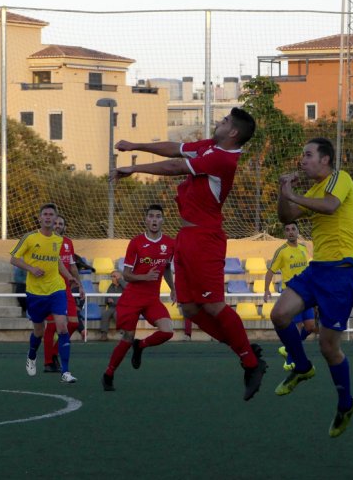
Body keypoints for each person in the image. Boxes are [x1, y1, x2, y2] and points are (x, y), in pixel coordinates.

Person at [111, 107, 267, 401]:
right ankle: (245, 350)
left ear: (233, 132)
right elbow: (175, 150)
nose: (218, 123)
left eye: (224, 121)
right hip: (187, 237)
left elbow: (175, 167)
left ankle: (250, 362)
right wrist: (135, 145)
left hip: (205, 238)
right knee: (190, 309)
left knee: (214, 306)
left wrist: (134, 168)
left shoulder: (223, 158)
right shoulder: (212, 147)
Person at [270, 137, 353, 438]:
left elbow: (330, 206)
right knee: (280, 314)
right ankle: (301, 366)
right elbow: (285, 217)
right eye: (302, 154)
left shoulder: (341, 179)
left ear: (325, 159)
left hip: (341, 274)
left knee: (329, 347)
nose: (303, 160)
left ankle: (346, 404)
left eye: (308, 155)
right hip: (318, 269)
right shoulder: (311, 190)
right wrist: (285, 193)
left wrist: (294, 195)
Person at [101, 204, 176, 391]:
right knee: (127, 338)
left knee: (167, 331)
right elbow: (125, 274)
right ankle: (108, 374)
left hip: (152, 299)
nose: (154, 220)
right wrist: (144, 277)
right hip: (132, 298)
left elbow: (166, 268)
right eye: (151, 216)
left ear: (163, 220)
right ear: (146, 220)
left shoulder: (170, 244)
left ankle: (141, 346)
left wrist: (173, 288)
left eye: (158, 216)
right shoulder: (136, 243)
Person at [10, 203, 81, 384]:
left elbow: (57, 262)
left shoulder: (58, 240)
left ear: (55, 218)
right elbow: (14, 258)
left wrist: (70, 277)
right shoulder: (30, 238)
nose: (49, 217)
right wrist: (31, 268)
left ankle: (65, 371)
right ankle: (32, 354)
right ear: (40, 218)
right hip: (35, 292)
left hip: (56, 289)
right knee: (39, 332)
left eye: (52, 215)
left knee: (62, 326)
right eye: (45, 214)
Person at [263, 221, 314, 371]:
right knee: (297, 327)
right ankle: (290, 360)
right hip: (291, 293)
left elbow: (307, 269)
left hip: (306, 292)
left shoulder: (304, 248)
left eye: (293, 229)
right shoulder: (281, 251)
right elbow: (270, 271)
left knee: (310, 327)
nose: (290, 232)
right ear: (285, 233)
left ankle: (288, 348)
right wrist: (266, 289)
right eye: (287, 230)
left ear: (298, 231)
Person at [42, 214, 86, 373]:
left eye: (61, 223)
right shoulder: (46, 242)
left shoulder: (68, 243)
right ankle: (48, 362)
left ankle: (54, 353)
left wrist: (80, 286)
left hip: (66, 288)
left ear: (64, 226)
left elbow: (73, 267)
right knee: (51, 326)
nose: (58, 225)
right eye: (56, 223)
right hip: (51, 288)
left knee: (74, 323)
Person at [100, 270, 127, 340]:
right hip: (112, 307)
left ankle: (124, 333)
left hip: (122, 307)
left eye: (114, 276)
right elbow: (106, 298)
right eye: (111, 276)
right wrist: (108, 300)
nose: (112, 278)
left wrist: (120, 280)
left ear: (119, 277)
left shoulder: (125, 285)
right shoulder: (111, 286)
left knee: (116, 314)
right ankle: (104, 334)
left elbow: (128, 290)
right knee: (105, 313)